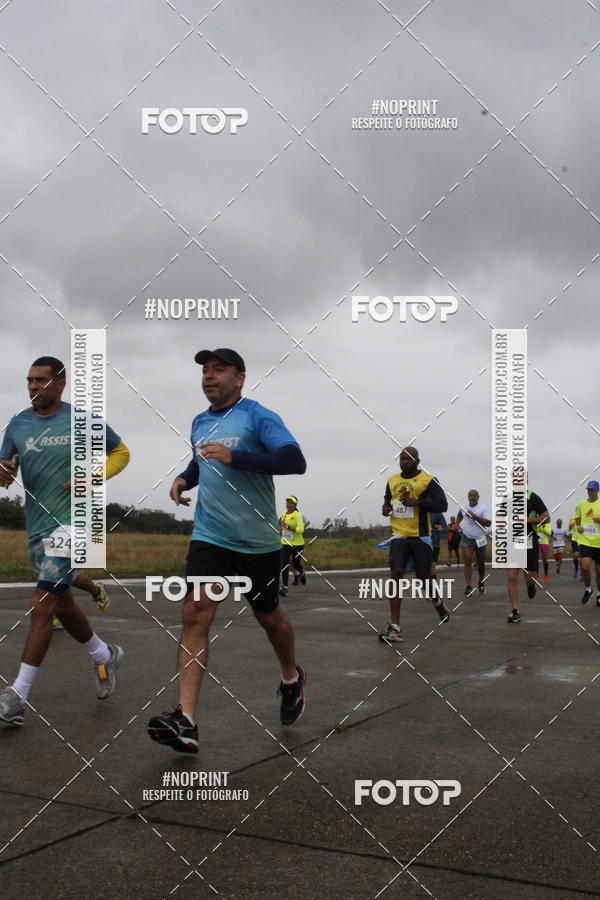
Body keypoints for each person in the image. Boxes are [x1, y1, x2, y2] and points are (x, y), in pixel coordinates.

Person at [149, 349, 307, 753]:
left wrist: (237, 457)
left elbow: (294, 460)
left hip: (257, 541)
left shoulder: (257, 416)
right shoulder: (200, 422)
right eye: (205, 370)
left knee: (269, 617)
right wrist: (184, 479)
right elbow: (201, 462)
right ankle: (186, 721)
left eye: (219, 369)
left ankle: (291, 677)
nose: (209, 375)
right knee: (194, 612)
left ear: (240, 378)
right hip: (211, 535)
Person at [0, 357, 130, 725]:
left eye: (41, 380)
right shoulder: (18, 424)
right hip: (37, 526)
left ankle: (17, 696)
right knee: (62, 603)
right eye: (29, 380)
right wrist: (3, 473)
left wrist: (93, 477)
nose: (33, 386)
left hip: (75, 524)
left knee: (42, 604)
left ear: (61, 383)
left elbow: (121, 453)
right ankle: (104, 655)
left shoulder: (82, 420)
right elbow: (6, 471)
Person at [378, 446, 450, 643]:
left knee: (423, 578)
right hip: (399, 536)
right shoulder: (392, 480)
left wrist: (417, 502)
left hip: (421, 536)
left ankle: (438, 603)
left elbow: (442, 505)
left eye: (409, 459)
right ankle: (395, 628)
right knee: (396, 574)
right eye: (402, 458)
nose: (405, 461)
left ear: (418, 461)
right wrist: (385, 507)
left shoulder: (429, 480)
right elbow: (388, 498)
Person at [506, 487, 549, 623]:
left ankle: (531, 586)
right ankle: (515, 610)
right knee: (512, 575)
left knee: (530, 578)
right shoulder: (507, 498)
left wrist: (528, 520)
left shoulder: (533, 497)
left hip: (529, 540)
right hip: (512, 540)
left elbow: (546, 518)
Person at [457, 490, 491, 596]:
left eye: (474, 496)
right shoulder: (463, 507)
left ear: (478, 497)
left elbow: (488, 523)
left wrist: (474, 516)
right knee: (467, 561)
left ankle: (481, 581)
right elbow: (459, 517)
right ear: (468, 497)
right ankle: (468, 586)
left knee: (480, 563)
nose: (472, 497)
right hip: (467, 537)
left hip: (480, 538)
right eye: (470, 496)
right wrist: (458, 527)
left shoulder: (483, 508)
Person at [575, 480, 600, 606]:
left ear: (598, 490)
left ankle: (599, 594)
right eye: (589, 489)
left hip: (599, 543)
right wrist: (578, 527)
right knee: (584, 566)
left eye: (592, 490)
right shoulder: (581, 504)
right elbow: (577, 519)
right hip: (585, 541)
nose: (590, 492)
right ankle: (588, 589)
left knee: (599, 571)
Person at [279, 495, 306, 595]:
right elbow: (280, 524)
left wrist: (287, 527)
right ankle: (285, 587)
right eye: (287, 502)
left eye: (291, 503)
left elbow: (300, 529)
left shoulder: (297, 515)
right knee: (284, 564)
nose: (288, 504)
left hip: (298, 544)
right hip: (285, 543)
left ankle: (301, 572)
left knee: (295, 564)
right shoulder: (283, 514)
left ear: (295, 505)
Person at [429, 511, 448, 578]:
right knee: (422, 566)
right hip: (420, 542)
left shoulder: (437, 513)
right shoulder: (418, 511)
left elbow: (445, 529)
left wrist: (439, 528)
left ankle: (433, 584)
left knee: (432, 566)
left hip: (434, 543)